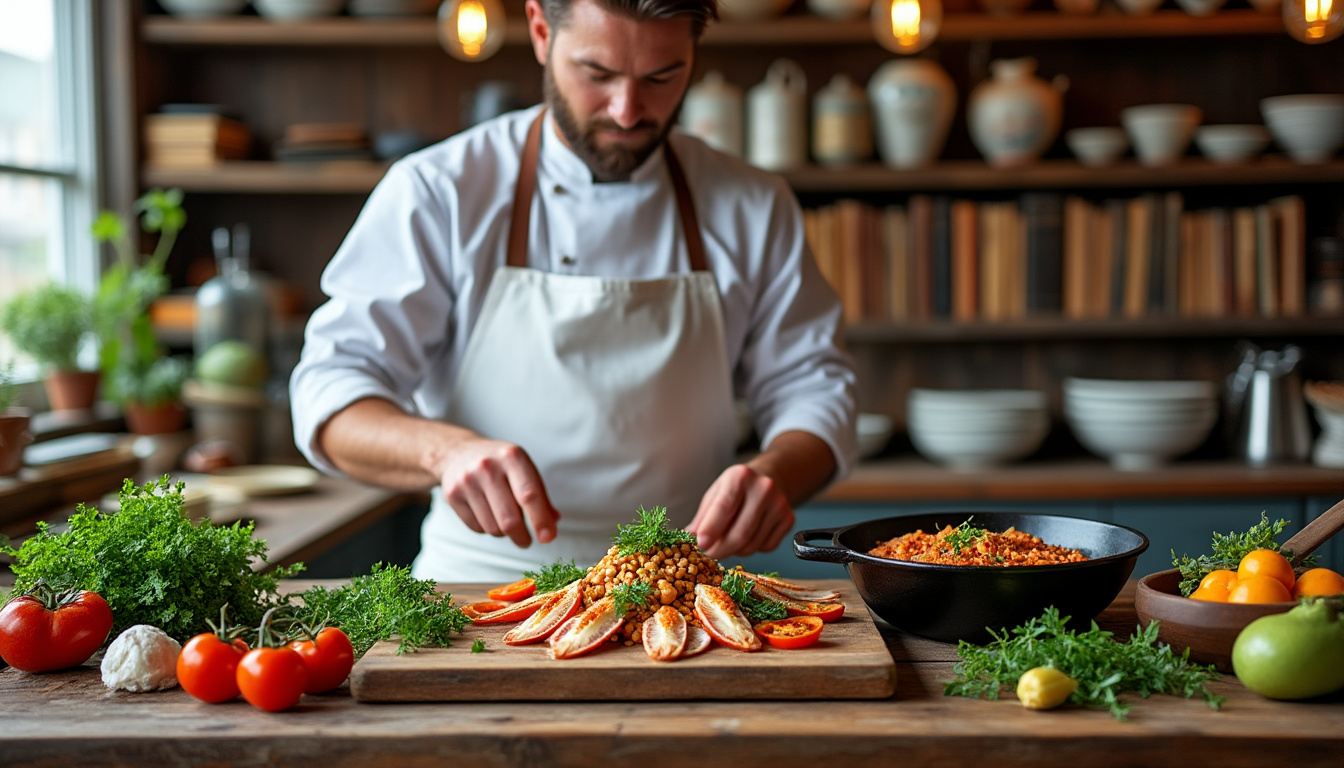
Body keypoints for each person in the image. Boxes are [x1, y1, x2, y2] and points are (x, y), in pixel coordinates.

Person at [289, 0, 857, 583]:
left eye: (662, 77)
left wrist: (776, 473)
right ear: (540, 30)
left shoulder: (752, 205)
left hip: (682, 588)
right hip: (477, 585)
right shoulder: (439, 190)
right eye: (598, 74)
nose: (628, 110)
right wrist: (445, 452)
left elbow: (815, 389)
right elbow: (330, 396)